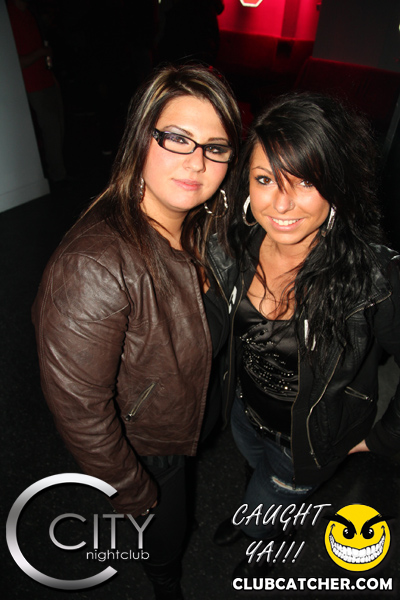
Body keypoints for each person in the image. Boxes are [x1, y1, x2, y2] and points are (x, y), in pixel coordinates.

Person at [32, 63, 241, 600]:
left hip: (184, 420)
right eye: (177, 138)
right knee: (165, 537)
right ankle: (164, 582)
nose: (197, 161)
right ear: (141, 137)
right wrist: (131, 488)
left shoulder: (201, 223)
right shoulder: (94, 266)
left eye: (215, 147)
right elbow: (80, 408)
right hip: (147, 447)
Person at [212, 92, 400, 576]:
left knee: (270, 505)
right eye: (264, 179)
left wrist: (381, 439)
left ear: (337, 183)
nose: (280, 203)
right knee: (255, 475)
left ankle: (263, 537)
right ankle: (257, 510)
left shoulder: (374, 277)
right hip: (244, 412)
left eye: (305, 182)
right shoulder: (236, 244)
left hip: (307, 445)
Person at [7, 0, 67, 183]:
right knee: (50, 130)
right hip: (31, 85)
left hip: (46, 79)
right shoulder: (9, 16)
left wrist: (52, 76)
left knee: (58, 127)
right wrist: (41, 52)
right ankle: (58, 176)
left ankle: (59, 172)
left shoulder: (28, 15)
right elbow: (17, 60)